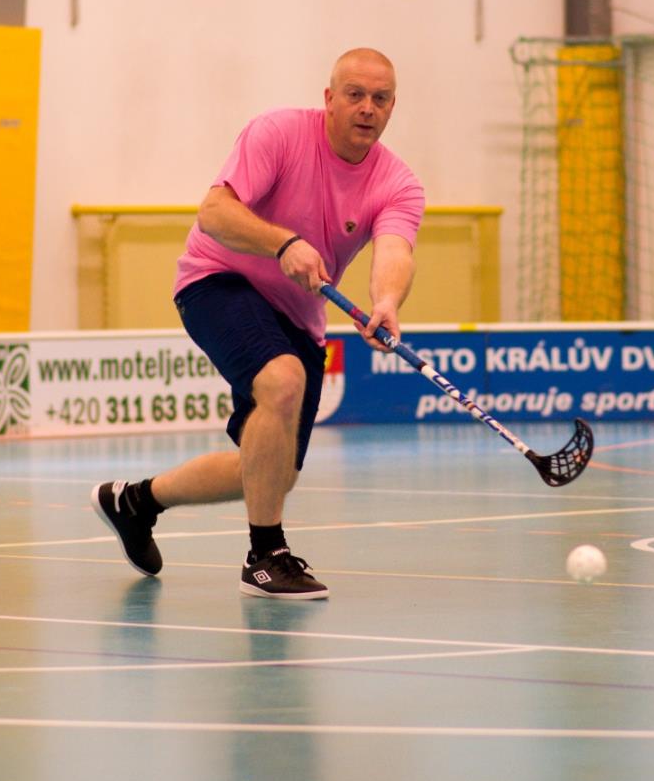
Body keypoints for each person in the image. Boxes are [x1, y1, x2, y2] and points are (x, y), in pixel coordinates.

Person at [92, 47, 425, 599]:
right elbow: (214, 212)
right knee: (282, 380)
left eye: (380, 98)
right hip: (217, 280)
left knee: (272, 470)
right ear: (330, 98)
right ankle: (265, 557)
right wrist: (283, 243)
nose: (367, 107)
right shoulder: (279, 133)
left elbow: (395, 249)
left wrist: (387, 300)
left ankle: (136, 502)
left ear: (392, 107)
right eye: (355, 95)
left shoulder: (398, 182)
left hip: (296, 313)